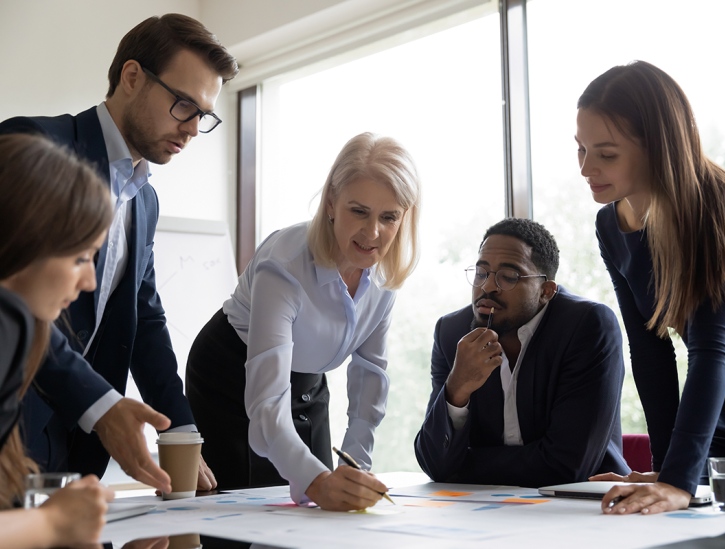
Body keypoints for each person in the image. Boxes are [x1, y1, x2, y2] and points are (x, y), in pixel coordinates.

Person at [0, 13, 239, 493]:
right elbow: (15, 304)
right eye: (183, 105)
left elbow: (144, 321)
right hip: (14, 420)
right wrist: (101, 404)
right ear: (132, 77)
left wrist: (181, 430)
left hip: (78, 444)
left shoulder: (145, 201)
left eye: (204, 116)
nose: (193, 129)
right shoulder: (34, 146)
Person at [186, 132, 421, 510]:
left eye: (388, 217)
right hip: (231, 374)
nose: (372, 233)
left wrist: (356, 468)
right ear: (331, 203)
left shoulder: (382, 275)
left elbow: (370, 375)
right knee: (250, 512)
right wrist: (315, 481)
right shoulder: (285, 265)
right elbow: (266, 402)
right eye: (358, 211)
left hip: (307, 380)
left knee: (327, 507)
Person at [576, 60, 725, 515]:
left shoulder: (718, 205)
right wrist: (668, 471)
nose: (587, 167)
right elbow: (650, 350)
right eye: (580, 149)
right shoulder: (610, 225)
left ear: (656, 147)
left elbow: (711, 349)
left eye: (606, 153)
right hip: (721, 424)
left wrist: (680, 480)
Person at [414, 217, 629, 486]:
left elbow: (566, 466)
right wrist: (457, 388)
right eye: (481, 273)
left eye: (509, 276)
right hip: (480, 512)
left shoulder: (587, 326)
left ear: (546, 291)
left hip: (583, 506)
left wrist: (459, 468)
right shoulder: (452, 333)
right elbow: (434, 462)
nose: (487, 286)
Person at [0, 133, 115, 548]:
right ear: (24, 243)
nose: (89, 282)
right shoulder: (8, 319)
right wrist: (54, 524)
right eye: (80, 258)